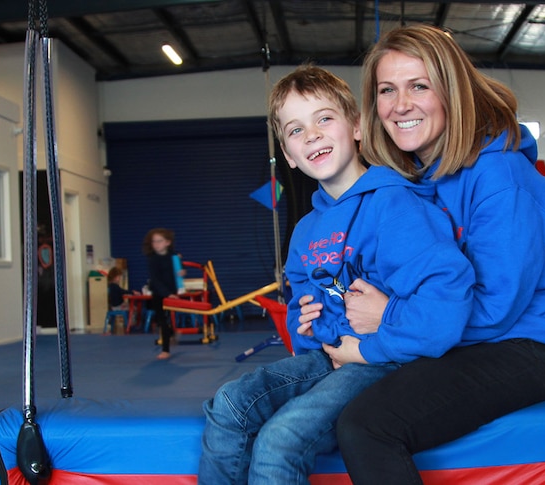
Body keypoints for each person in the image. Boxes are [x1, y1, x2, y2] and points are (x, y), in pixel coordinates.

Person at [313, 24, 545, 484]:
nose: (401, 105)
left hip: (521, 345)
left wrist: (391, 320)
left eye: (420, 86)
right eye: (387, 90)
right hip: (438, 338)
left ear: (452, 92)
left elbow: (497, 308)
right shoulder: (406, 179)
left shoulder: (501, 176)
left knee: (368, 425)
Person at [196, 64, 475, 484]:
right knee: (230, 404)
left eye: (324, 118)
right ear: (288, 155)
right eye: (295, 130)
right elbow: (301, 311)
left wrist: (372, 339)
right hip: (328, 357)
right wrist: (303, 322)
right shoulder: (306, 229)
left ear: (358, 127)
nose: (311, 135)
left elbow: (446, 305)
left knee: (280, 438)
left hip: (386, 363)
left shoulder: (395, 204)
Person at [142, 228, 182, 360]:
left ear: (168, 242)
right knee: (162, 321)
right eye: (154, 242)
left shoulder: (173, 256)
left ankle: (171, 333)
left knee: (168, 318)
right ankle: (166, 349)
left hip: (171, 290)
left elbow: (178, 272)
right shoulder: (152, 259)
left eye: (160, 241)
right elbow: (155, 279)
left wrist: (181, 272)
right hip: (158, 292)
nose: (156, 244)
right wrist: (166, 294)